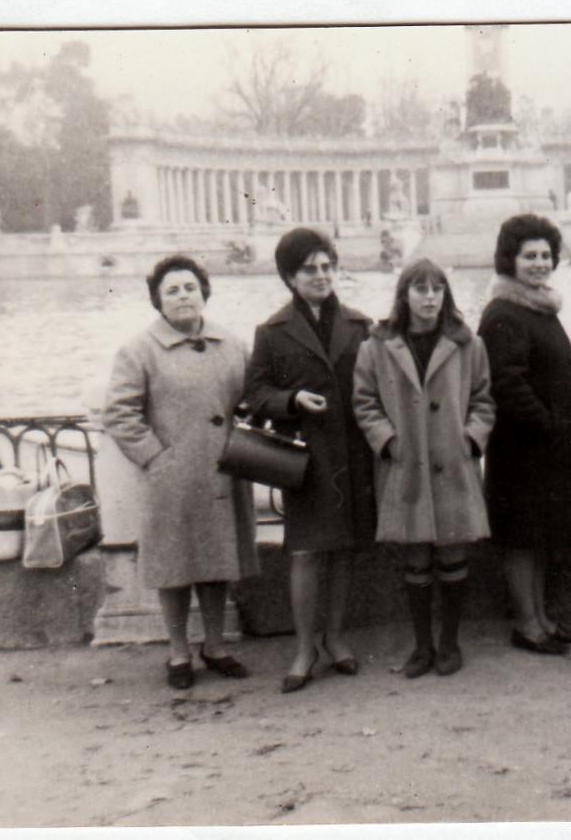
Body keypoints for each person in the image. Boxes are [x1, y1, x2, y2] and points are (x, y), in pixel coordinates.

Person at [103, 255, 258, 690]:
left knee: (215, 561)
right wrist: (155, 457)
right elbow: (118, 413)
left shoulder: (230, 343)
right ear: (157, 300)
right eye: (172, 290)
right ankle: (177, 652)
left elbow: (248, 398)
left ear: (204, 292)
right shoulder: (139, 350)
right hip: (171, 476)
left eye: (190, 287)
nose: (183, 296)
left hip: (223, 473)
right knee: (174, 566)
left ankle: (215, 646)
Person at [244, 228, 376, 693]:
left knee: (343, 551)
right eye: (309, 269)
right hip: (307, 459)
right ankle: (305, 647)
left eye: (327, 267)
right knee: (303, 552)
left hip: (354, 457)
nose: (321, 276)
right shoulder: (272, 332)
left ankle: (335, 638)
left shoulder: (362, 326)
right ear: (289, 277)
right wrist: (292, 400)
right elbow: (254, 395)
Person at [352, 259, 495, 677]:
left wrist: (470, 438)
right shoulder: (377, 346)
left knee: (453, 553)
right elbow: (365, 402)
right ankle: (421, 645)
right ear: (404, 295)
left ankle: (449, 642)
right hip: (406, 465)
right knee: (415, 557)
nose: (430, 297)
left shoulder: (469, 344)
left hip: (452, 464)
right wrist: (388, 441)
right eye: (420, 289)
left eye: (437, 289)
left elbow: (484, 399)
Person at [478, 214, 571, 655]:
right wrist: (548, 424)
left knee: (536, 536)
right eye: (529, 256)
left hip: (542, 444)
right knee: (521, 538)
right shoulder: (505, 311)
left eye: (545, 255)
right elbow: (506, 382)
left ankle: (542, 619)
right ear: (509, 260)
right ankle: (528, 624)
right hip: (523, 446)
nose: (539, 263)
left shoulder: (532, 305)